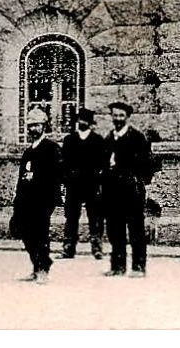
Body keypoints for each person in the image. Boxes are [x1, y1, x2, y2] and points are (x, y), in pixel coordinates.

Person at [100, 101, 152, 277]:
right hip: (112, 191)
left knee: (135, 229)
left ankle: (138, 267)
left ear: (128, 117)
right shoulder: (108, 138)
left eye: (121, 116)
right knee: (115, 230)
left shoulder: (137, 138)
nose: (118, 119)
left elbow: (147, 164)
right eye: (115, 115)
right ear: (111, 117)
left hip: (132, 191)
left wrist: (140, 183)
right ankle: (118, 266)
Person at [12, 106, 62, 283]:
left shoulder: (51, 148)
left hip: (43, 200)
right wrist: (18, 199)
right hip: (26, 200)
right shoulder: (28, 151)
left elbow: (57, 175)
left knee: (40, 233)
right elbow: (22, 177)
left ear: (44, 126)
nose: (33, 129)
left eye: (37, 125)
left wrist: (49, 197)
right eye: (31, 125)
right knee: (26, 234)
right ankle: (37, 266)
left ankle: (43, 270)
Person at [60, 107, 106, 260]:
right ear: (77, 121)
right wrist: (66, 179)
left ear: (90, 122)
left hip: (92, 185)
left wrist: (99, 182)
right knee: (71, 217)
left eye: (85, 120)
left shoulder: (98, 140)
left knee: (96, 217)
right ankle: (68, 248)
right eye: (80, 119)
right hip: (74, 185)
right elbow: (63, 164)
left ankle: (97, 248)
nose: (82, 122)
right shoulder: (69, 140)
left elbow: (103, 164)